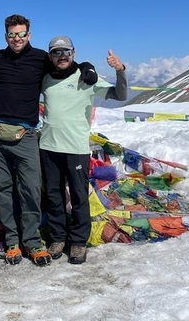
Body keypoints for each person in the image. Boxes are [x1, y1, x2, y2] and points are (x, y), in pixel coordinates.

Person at [0, 15, 98, 267]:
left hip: (26, 134)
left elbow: (64, 63)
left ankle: (33, 241)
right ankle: (12, 243)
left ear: (29, 35)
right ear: (6, 37)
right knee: (3, 189)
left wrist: (87, 66)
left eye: (21, 34)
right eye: (12, 35)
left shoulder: (40, 58)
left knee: (30, 189)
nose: (17, 39)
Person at [40, 36, 128, 264]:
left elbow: (120, 95)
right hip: (48, 146)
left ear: (73, 53)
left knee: (79, 196)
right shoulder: (45, 78)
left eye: (66, 52)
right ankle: (58, 238)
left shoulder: (86, 77)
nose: (62, 56)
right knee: (53, 195)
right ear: (50, 55)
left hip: (76, 147)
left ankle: (78, 242)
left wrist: (120, 70)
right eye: (56, 52)